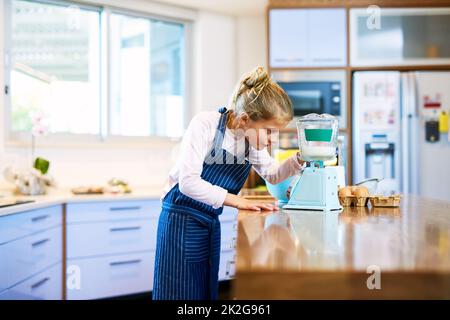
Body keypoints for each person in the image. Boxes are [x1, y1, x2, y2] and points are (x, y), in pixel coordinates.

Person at [153, 66, 305, 300]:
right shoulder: (206, 124)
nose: (272, 139)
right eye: (269, 131)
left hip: (208, 221)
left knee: (203, 290)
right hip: (180, 219)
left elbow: (273, 175)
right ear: (244, 119)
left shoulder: (249, 141)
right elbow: (188, 183)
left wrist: (299, 159)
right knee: (178, 292)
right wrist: (237, 201)